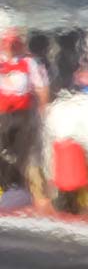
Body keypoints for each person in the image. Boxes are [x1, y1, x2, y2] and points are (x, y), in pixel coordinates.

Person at [0, 28, 49, 206]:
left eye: (14, 43)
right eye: (6, 43)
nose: (10, 47)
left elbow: (42, 89)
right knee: (3, 153)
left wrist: (42, 112)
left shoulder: (29, 63)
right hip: (2, 116)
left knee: (24, 154)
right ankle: (4, 187)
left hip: (23, 116)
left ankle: (26, 192)